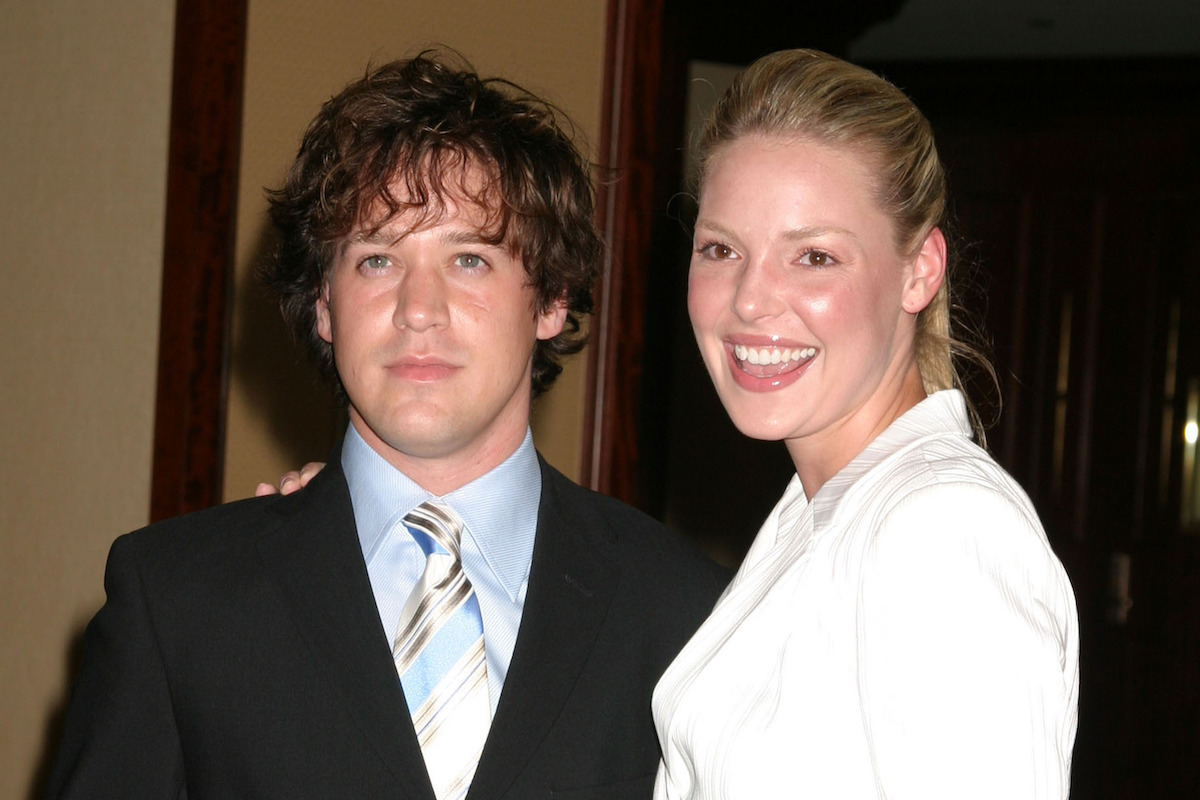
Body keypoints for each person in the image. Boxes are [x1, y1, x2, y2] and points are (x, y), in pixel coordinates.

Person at [46, 53, 727, 800]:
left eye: (469, 259)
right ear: (324, 305)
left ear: (552, 300)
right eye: (377, 261)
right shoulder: (177, 602)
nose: (418, 310)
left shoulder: (687, 613)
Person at [650, 49, 1079, 799]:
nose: (748, 300)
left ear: (920, 271)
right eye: (721, 249)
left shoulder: (940, 527)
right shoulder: (817, 515)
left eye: (813, 256)